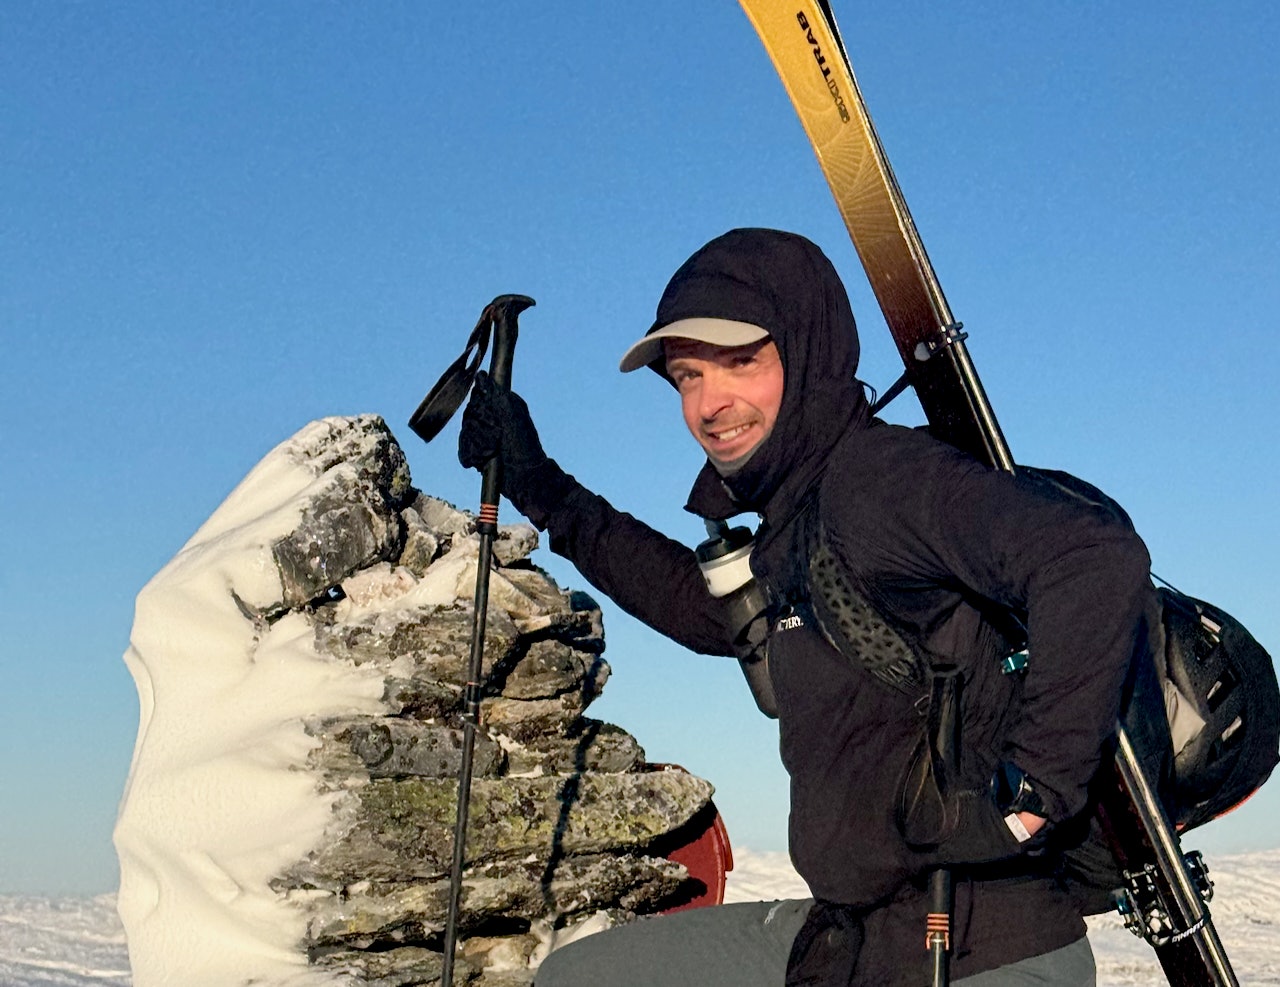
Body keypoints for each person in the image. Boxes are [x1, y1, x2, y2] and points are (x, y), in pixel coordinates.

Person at [458, 228, 1158, 986]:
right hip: (850, 937)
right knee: (583, 976)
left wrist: (1032, 793)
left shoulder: (878, 479)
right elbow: (706, 611)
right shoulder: (801, 516)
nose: (708, 402)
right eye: (688, 375)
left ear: (806, 351)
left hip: (975, 947)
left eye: (740, 362)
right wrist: (543, 486)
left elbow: (1090, 556)